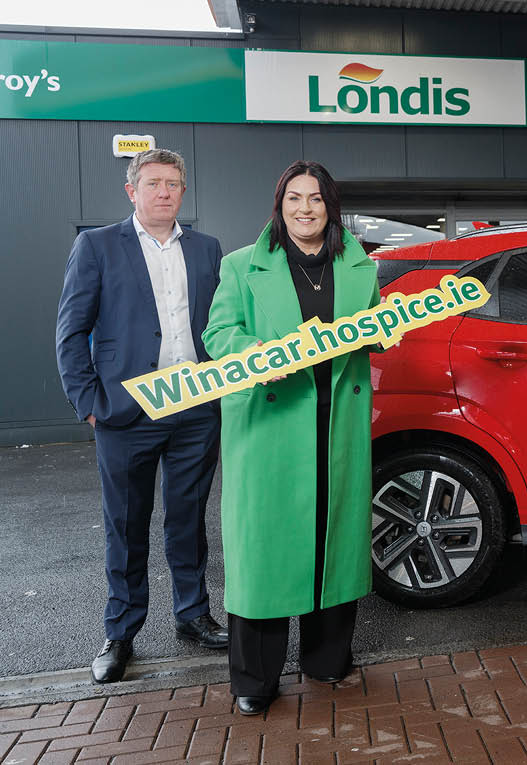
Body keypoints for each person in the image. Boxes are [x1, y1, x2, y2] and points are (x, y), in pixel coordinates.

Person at [202, 161, 379, 716]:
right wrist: (251, 354)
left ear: (331, 207)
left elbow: (373, 328)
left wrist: (387, 331)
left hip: (337, 424)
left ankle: (328, 658)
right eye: (295, 198)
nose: (306, 209)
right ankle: (255, 679)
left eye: (317, 199)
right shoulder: (240, 266)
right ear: (279, 205)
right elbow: (217, 333)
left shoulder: (360, 266)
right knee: (267, 553)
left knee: (334, 539)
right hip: (272, 427)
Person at [55, 148, 229, 684]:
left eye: (173, 183)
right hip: (125, 412)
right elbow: (70, 332)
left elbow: (220, 323)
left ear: (183, 191)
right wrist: (89, 405)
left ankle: (192, 614)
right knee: (125, 526)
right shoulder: (97, 245)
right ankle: (121, 631)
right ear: (132, 190)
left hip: (195, 407)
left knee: (188, 520)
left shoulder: (206, 249)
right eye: (153, 182)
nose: (164, 192)